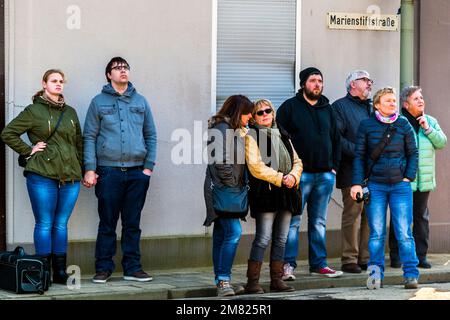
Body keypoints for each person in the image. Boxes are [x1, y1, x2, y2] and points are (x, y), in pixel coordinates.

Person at [1, 69, 82, 284]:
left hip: (70, 177)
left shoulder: (71, 112)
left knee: (61, 224)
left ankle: (60, 272)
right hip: (42, 174)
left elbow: (79, 143)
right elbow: (7, 133)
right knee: (45, 223)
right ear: (44, 84)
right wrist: (29, 150)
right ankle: (43, 272)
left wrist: (82, 168)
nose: (58, 84)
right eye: (53, 81)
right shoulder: (33, 111)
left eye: (61, 81)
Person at [83, 57, 157, 283]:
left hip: (137, 173)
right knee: (107, 222)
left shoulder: (141, 101)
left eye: (125, 67)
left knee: (132, 223)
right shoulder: (98, 102)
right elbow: (89, 137)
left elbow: (151, 135)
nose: (122, 71)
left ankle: (132, 268)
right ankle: (103, 268)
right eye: (117, 68)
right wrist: (89, 169)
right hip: (108, 172)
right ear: (109, 75)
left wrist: (148, 168)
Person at [351, 87, 420, 289]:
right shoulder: (366, 125)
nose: (392, 103)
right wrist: (356, 182)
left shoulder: (403, 123)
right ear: (377, 104)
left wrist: (408, 176)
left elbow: (413, 152)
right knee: (377, 234)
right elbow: (359, 156)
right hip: (376, 186)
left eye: (394, 100)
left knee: (404, 233)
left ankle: (410, 275)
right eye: (388, 100)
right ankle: (375, 276)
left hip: (400, 186)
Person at [277, 67, 342, 279]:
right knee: (293, 221)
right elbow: (279, 140)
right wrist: (288, 169)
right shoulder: (289, 108)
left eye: (320, 81)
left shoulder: (328, 109)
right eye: (313, 80)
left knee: (318, 222)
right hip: (299, 175)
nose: (317, 84)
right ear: (303, 83)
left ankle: (319, 264)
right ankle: (288, 266)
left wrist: (334, 167)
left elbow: (336, 140)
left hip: (324, 175)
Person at [244, 99, 303, 294]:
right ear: (253, 117)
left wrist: (293, 176)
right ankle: (253, 283)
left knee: (281, 239)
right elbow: (255, 167)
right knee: (263, 238)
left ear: (273, 112)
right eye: (259, 112)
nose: (264, 114)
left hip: (287, 193)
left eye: (267, 110)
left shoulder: (283, 133)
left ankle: (276, 280)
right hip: (266, 194)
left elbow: (297, 161)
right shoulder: (251, 136)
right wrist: (281, 178)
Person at [388, 86, 447, 269]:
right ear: (406, 104)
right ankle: (396, 256)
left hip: (424, 181)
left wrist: (427, 128)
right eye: (416, 98)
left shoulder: (430, 121)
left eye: (421, 97)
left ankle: (421, 256)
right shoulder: (398, 122)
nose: (421, 101)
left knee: (421, 218)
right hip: (404, 180)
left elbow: (442, 142)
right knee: (400, 217)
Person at [203, 95, 253, 297]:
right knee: (233, 232)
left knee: (222, 234)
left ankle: (222, 280)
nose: (250, 116)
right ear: (238, 111)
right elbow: (220, 162)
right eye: (248, 112)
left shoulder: (232, 130)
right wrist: (234, 184)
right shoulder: (221, 129)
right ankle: (223, 281)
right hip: (224, 190)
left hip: (226, 189)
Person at [332, 70, 373, 274]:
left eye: (369, 80)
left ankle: (364, 258)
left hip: (372, 172)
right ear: (352, 85)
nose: (369, 84)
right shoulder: (339, 107)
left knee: (369, 215)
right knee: (353, 214)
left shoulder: (372, 107)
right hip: (350, 170)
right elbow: (337, 139)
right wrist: (360, 152)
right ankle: (349, 259)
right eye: (364, 80)